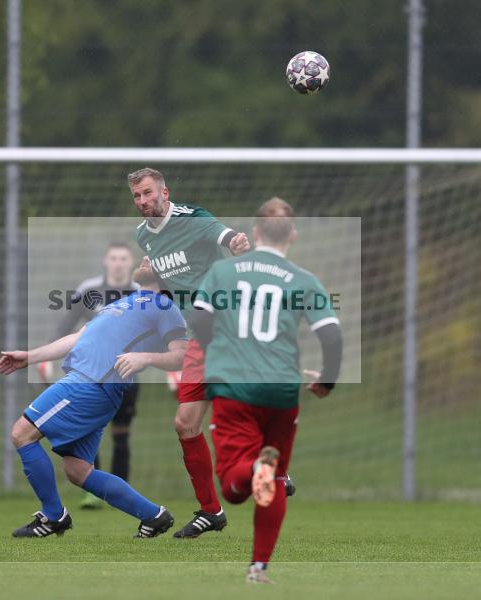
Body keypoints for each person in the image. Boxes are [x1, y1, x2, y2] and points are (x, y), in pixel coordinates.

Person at [189, 197, 343, 583]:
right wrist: (327, 379)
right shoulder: (303, 279)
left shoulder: (223, 273)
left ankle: (256, 467)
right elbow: (332, 335)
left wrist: (216, 351)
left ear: (255, 232)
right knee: (274, 480)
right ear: (292, 234)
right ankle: (258, 568)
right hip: (281, 390)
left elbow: (199, 318)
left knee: (234, 488)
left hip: (235, 387)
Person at [0, 262, 187, 539]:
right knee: (78, 471)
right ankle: (153, 516)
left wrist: (145, 358)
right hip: (93, 386)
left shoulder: (164, 306)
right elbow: (78, 337)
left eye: (151, 259)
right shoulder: (128, 301)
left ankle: (53, 517)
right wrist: (30, 356)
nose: (143, 260)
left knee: (21, 434)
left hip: (89, 384)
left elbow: (182, 354)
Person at [129, 167, 250, 538]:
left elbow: (225, 235)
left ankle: (273, 465)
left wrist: (237, 241)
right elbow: (170, 283)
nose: (143, 201)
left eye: (149, 193)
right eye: (137, 196)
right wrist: (146, 278)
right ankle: (211, 512)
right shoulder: (142, 237)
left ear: (165, 192)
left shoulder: (193, 219)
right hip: (197, 335)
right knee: (185, 424)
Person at [48, 242, 141, 509]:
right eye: (114, 258)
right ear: (106, 261)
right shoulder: (89, 291)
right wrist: (48, 358)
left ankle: (120, 492)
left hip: (126, 375)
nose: (118, 263)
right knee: (90, 430)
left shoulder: (141, 294)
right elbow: (66, 326)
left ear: (130, 261)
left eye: (123, 258)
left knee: (121, 433)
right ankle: (93, 491)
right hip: (90, 375)